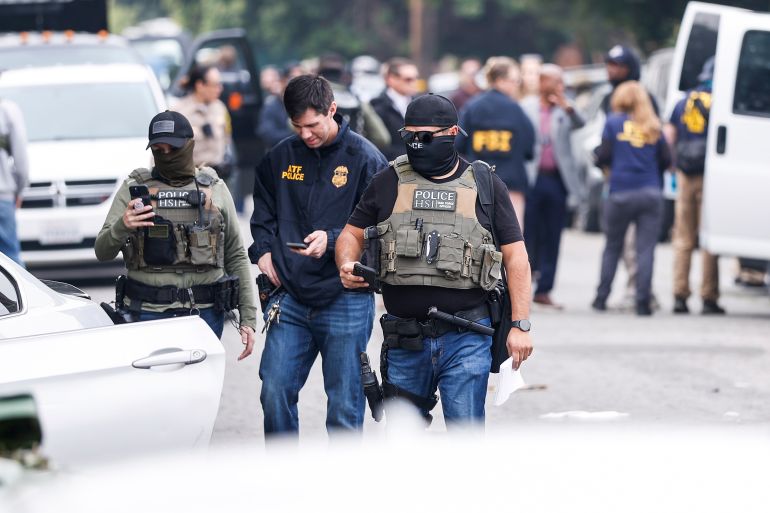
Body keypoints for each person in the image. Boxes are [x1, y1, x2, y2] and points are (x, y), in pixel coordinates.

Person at [336, 94, 533, 427]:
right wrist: (345, 262)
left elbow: (516, 257)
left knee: (464, 441)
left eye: (425, 137)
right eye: (409, 136)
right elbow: (350, 234)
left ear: (452, 132)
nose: (416, 144)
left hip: (467, 336)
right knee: (403, 447)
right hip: (405, 338)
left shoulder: (484, 184)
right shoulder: (390, 180)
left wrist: (520, 325)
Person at [250, 75, 387, 437]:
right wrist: (263, 251)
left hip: (345, 297)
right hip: (290, 298)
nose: (306, 134)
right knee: (274, 389)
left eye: (313, 125)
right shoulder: (279, 157)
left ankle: (339, 488)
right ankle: (284, 480)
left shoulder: (366, 160)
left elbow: (382, 230)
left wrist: (331, 240)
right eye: (298, 127)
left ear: (332, 110)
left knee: (344, 402)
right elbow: (262, 214)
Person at [94, 110, 256, 360]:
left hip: (203, 315)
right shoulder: (134, 189)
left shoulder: (214, 188)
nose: (166, 155)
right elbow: (102, 251)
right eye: (158, 150)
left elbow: (236, 253)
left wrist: (248, 317)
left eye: (173, 148)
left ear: (189, 146)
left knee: (200, 393)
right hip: (146, 313)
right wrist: (122, 226)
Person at [592, 82, 671, 316]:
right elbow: (667, 159)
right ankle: (643, 301)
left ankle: (601, 297)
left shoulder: (613, 122)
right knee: (645, 249)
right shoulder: (654, 126)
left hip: (620, 193)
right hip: (650, 193)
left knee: (612, 247)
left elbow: (603, 155)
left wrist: (601, 160)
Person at [664, 57, 725, 315]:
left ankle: (680, 295)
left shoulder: (683, 101)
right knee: (709, 237)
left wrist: (673, 165)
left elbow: (669, 136)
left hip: (686, 174)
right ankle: (709, 297)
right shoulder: (720, 102)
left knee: (683, 237)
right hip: (711, 175)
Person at [521, 64, 585, 308]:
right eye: (555, 81)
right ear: (543, 82)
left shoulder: (565, 108)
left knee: (553, 235)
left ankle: (544, 288)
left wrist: (567, 107)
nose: (560, 86)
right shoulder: (527, 107)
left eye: (561, 82)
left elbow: (581, 123)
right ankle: (525, 284)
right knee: (528, 234)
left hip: (557, 179)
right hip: (532, 178)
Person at [456, 56, 535, 228]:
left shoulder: (472, 107)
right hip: (512, 185)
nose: (517, 85)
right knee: (512, 235)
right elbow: (530, 148)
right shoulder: (516, 110)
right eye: (514, 81)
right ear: (500, 80)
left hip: (477, 183)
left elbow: (459, 143)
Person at [317, 53, 391, 150]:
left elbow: (294, 126)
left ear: (318, 73)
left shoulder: (312, 98)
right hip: (352, 157)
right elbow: (382, 139)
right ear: (344, 75)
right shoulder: (358, 100)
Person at [172, 65, 234, 179]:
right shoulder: (179, 112)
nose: (220, 89)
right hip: (191, 178)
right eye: (215, 85)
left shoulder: (220, 107)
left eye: (220, 84)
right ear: (200, 85)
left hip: (219, 176)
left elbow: (227, 137)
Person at [0, 91, 29, 267]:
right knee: (11, 260)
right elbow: (21, 160)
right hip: (2, 195)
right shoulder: (6, 110)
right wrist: (20, 190)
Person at [370, 57, 420, 160]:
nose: (414, 83)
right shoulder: (377, 106)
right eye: (408, 79)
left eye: (416, 78)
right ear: (391, 79)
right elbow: (378, 145)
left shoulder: (421, 104)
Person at [257, 62, 304, 150]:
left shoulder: (310, 103)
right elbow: (269, 136)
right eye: (293, 78)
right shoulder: (271, 106)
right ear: (283, 80)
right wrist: (298, 133)